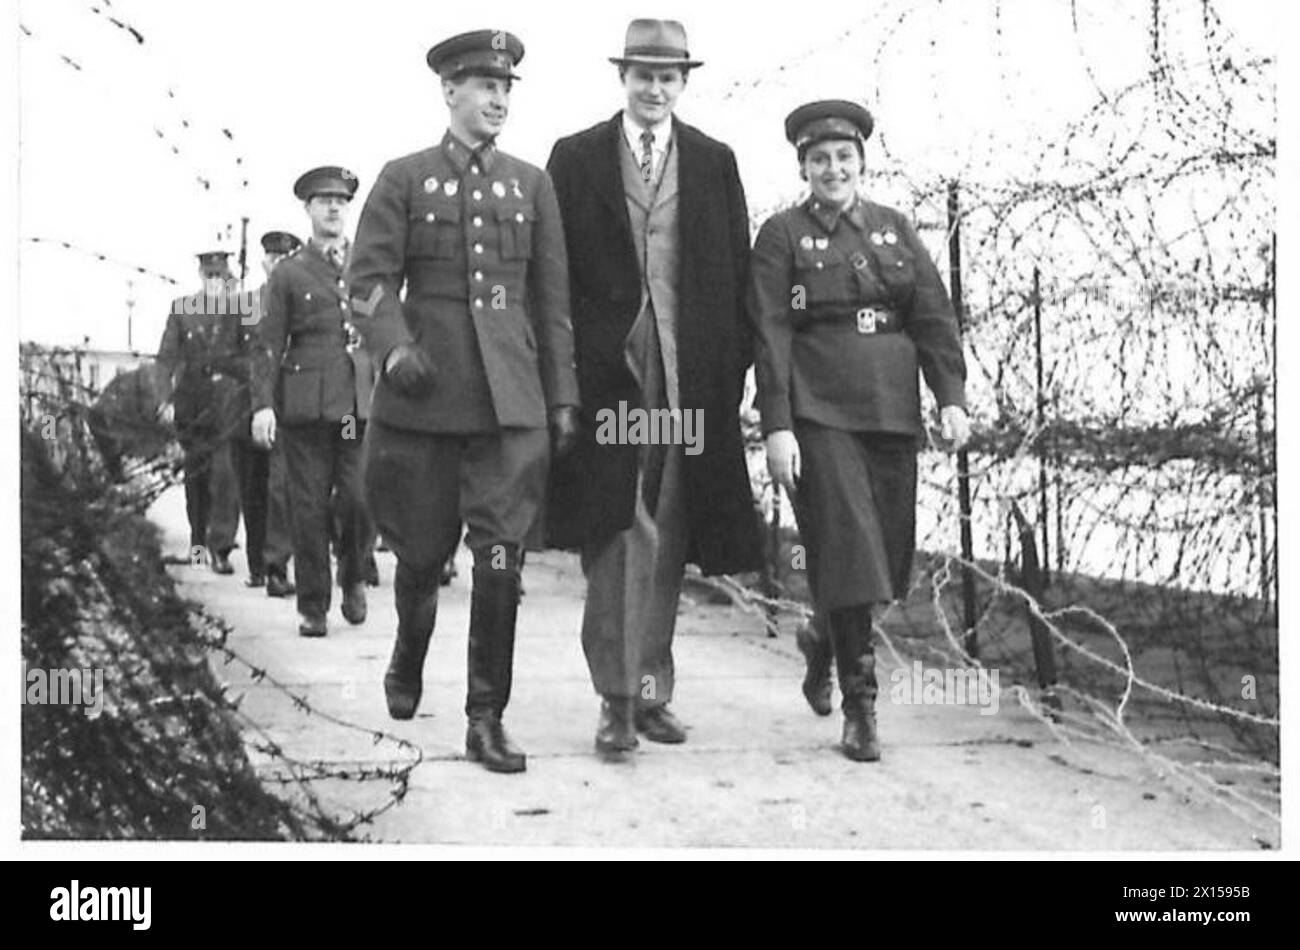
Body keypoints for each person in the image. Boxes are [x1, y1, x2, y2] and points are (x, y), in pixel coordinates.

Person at [348, 29, 579, 774]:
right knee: (418, 557)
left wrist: (563, 397)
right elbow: (369, 280)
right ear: (449, 91)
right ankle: (408, 652)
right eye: (485, 87)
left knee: (501, 561)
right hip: (425, 399)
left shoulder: (531, 184)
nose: (499, 100)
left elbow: (553, 302)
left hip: (510, 406)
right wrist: (392, 346)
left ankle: (486, 717)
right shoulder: (404, 178)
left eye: (507, 88)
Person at [545, 19, 762, 760]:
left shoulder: (713, 162)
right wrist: (564, 381)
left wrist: (731, 376)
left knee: (667, 525)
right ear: (623, 77)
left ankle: (650, 689)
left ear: (684, 83)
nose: (654, 87)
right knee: (618, 524)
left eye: (668, 76)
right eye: (643, 73)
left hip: (685, 377)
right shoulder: (574, 159)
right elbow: (555, 278)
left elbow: (734, 276)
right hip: (611, 378)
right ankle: (614, 698)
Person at [749, 100, 971, 762]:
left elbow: (932, 315)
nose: (833, 169)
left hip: (891, 412)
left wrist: (951, 397)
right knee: (847, 549)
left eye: (844, 158)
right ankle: (862, 707)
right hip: (819, 413)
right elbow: (770, 333)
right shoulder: (782, 236)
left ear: (861, 163)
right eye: (820, 159)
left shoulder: (894, 230)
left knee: (886, 558)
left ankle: (823, 639)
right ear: (804, 167)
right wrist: (779, 427)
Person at [250, 168, 376, 637]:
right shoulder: (288, 273)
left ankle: (353, 576)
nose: (333, 208)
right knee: (307, 507)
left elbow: (379, 322)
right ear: (308, 208)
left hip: (351, 412)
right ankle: (313, 604)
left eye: (340, 201)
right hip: (304, 411)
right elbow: (266, 344)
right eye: (324, 201)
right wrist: (263, 406)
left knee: (359, 498)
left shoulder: (363, 267)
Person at [157, 251, 246, 573]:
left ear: (227, 278)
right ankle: (197, 543)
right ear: (200, 275)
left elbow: (253, 354)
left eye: (219, 277)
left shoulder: (238, 311)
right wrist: (164, 399)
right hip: (191, 408)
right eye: (208, 277)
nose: (213, 283)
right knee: (196, 479)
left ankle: (220, 548)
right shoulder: (183, 310)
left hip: (227, 409)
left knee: (226, 477)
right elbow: (165, 357)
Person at [235, 230, 300, 596]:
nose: (277, 263)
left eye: (284, 257)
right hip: (249, 408)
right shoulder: (249, 303)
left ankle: (276, 567)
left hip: (291, 405)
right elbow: (234, 354)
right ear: (264, 263)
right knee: (253, 490)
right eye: (272, 258)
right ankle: (257, 564)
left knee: (281, 488)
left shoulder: (304, 296)